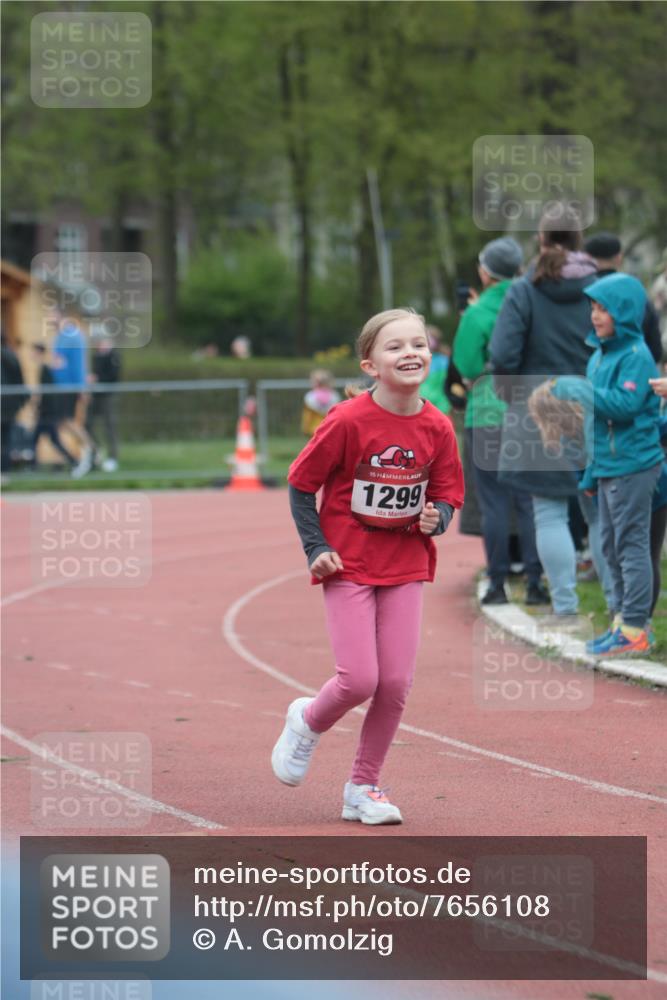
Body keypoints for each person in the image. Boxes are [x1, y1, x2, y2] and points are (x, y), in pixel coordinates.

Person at [272, 307, 464, 824]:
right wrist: (315, 547)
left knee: (396, 683)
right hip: (348, 563)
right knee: (359, 679)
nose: (411, 353)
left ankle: (363, 787)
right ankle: (307, 721)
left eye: (418, 344)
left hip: (405, 565)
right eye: (395, 346)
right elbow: (300, 484)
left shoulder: (438, 426)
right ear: (369, 364)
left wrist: (437, 516)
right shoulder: (347, 419)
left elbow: (447, 490)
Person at [490, 207, 597, 617]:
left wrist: (510, 395)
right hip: (595, 408)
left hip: (539, 410)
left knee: (549, 511)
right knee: (600, 513)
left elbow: (502, 353)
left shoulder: (524, 289)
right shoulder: (603, 287)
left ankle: (566, 609)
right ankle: (623, 613)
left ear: (541, 239)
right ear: (580, 239)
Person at [547, 273, 663, 655]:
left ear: (625, 312)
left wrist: (581, 389)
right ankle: (622, 622)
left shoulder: (636, 355)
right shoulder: (600, 354)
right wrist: (590, 473)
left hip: (635, 465)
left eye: (604, 309)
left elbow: (625, 407)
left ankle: (635, 629)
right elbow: (595, 423)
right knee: (611, 547)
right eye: (593, 308)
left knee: (632, 547)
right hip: (609, 467)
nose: (595, 315)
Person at [454, 237, 547, 606]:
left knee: (494, 502)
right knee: (529, 501)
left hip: (488, 412)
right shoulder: (534, 302)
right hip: (530, 409)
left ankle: (497, 584)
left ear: (484, 271)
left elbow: (468, 365)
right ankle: (537, 583)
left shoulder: (477, 314)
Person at [584, 232, 663, 362]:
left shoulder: (582, 293)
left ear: (587, 259)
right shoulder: (635, 294)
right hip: (634, 372)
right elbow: (655, 349)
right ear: (619, 258)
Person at [52, 312, 94, 477]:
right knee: (63, 423)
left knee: (69, 422)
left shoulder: (73, 336)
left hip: (70, 389)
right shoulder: (60, 337)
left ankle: (89, 451)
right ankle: (90, 452)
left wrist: (81, 388)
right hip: (60, 388)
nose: (50, 319)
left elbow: (78, 365)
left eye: (52, 315)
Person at [30, 344, 79, 474]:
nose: (32, 355)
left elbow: (48, 394)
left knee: (47, 440)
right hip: (46, 411)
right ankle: (34, 466)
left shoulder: (45, 370)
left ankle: (73, 461)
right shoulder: (43, 369)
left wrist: (41, 409)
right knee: (43, 439)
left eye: (34, 352)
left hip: (47, 413)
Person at [86, 336, 122, 471]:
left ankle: (113, 457)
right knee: (87, 424)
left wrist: (98, 378)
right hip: (96, 395)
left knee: (110, 427)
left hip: (108, 396)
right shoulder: (96, 356)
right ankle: (96, 451)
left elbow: (114, 376)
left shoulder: (114, 356)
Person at [1, 332, 28, 473]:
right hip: (10, 405)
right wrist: (22, 401)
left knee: (5, 438)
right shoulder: (11, 356)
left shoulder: (8, 356)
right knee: (6, 438)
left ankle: (4, 470)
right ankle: (5, 470)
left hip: (5, 404)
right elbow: (20, 380)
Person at [419, 326, 452, 417]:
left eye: (430, 338)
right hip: (421, 406)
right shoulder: (417, 361)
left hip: (441, 407)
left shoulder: (444, 361)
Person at [301, 369, 341, 436]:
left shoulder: (309, 397)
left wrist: (305, 428)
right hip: (330, 428)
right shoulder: (335, 396)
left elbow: (307, 416)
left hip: (313, 429)